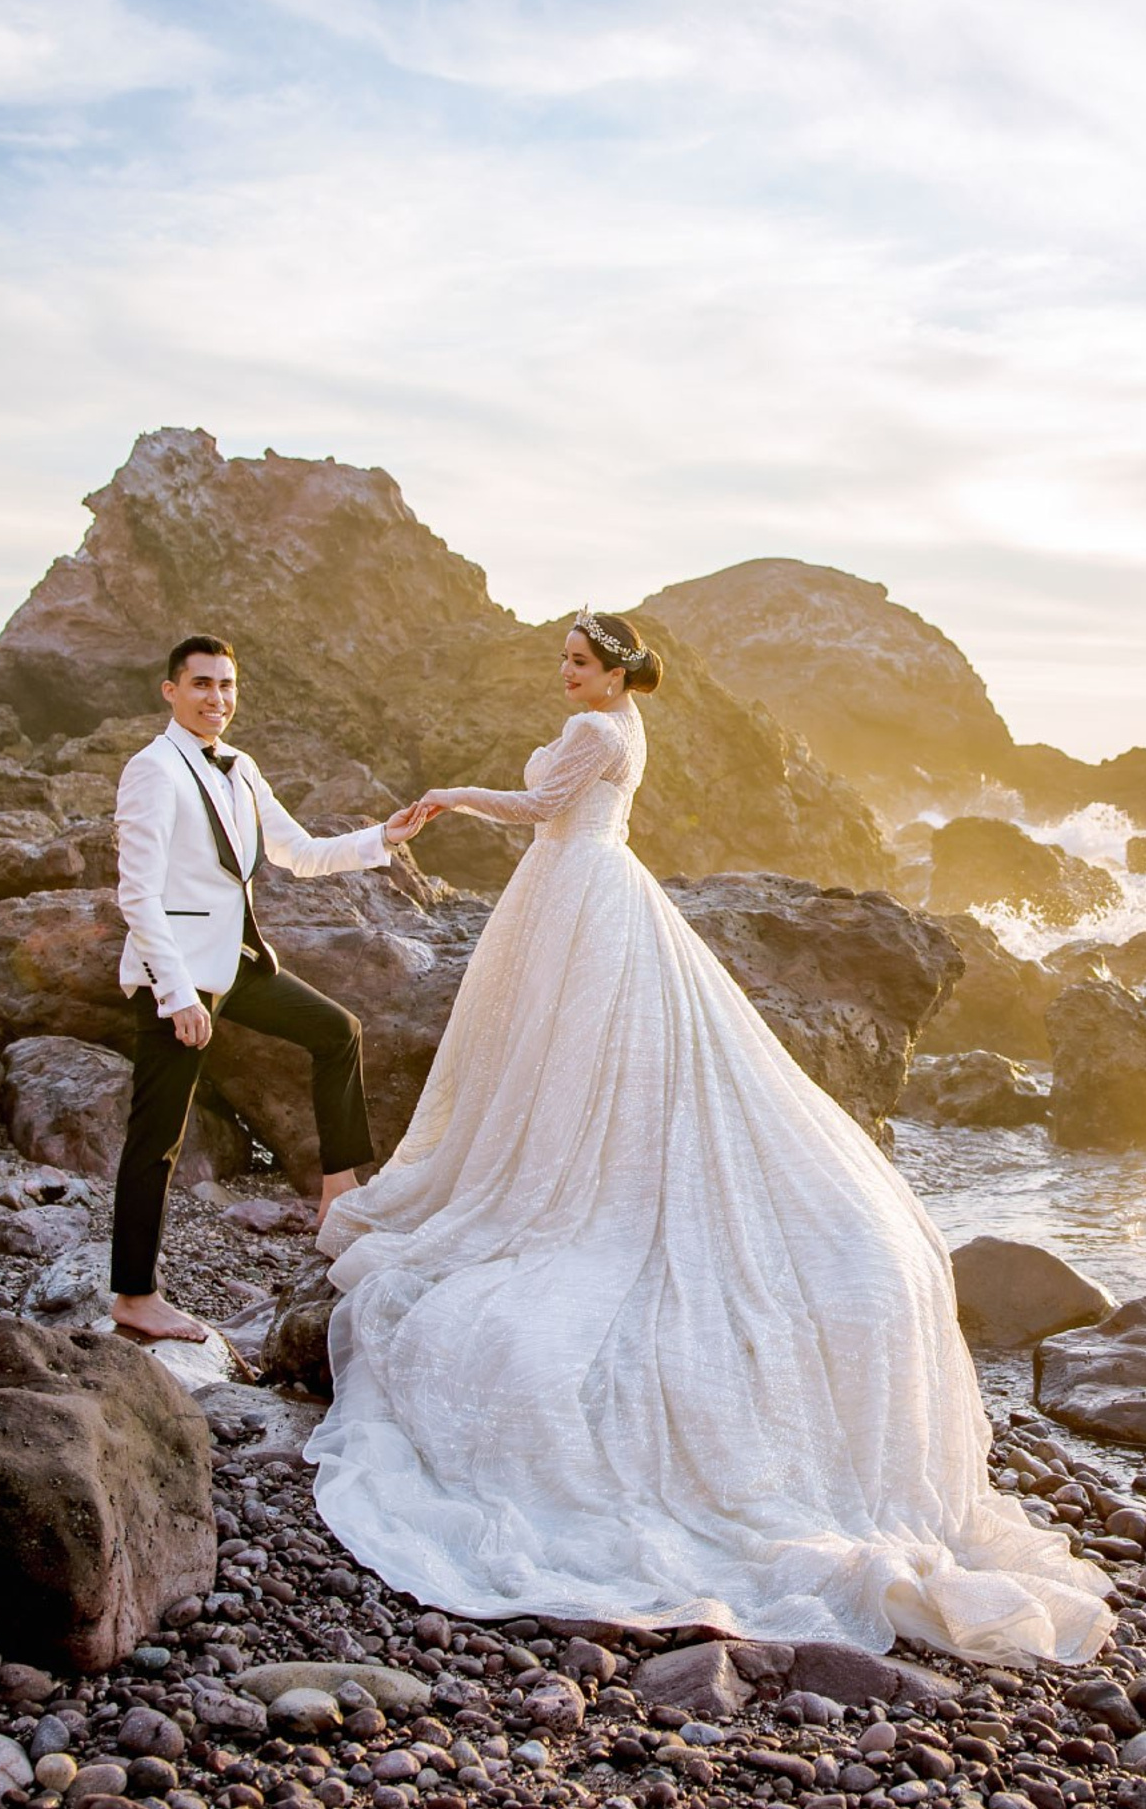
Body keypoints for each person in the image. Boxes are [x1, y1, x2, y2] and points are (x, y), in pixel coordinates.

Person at [306, 609, 1113, 1665]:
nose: (565, 675)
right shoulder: (609, 723)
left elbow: (540, 806)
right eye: (563, 661)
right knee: (566, 1055)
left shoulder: (601, 733)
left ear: (618, 672)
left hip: (582, 890)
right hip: (576, 892)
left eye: (580, 663)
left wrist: (450, 795)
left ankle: (570, 1191)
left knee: (585, 1057)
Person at [109, 633, 426, 1343]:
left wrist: (385, 837)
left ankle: (337, 1191)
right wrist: (177, 995)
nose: (216, 698)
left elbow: (298, 853)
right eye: (201, 685)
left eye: (226, 685)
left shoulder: (242, 768)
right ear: (171, 690)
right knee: (155, 1140)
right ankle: (134, 1295)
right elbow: (137, 894)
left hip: (241, 965)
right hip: (182, 976)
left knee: (336, 1031)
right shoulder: (153, 770)